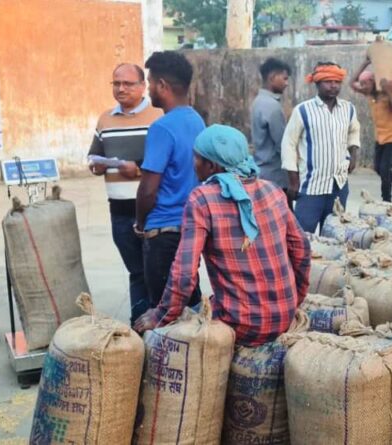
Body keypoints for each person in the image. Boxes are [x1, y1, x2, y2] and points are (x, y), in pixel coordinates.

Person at [133, 125, 311, 346]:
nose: (193, 164)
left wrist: (161, 315)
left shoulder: (202, 199)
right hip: (284, 315)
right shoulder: (272, 189)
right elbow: (302, 249)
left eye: (196, 158)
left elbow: (184, 273)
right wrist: (295, 300)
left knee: (154, 326)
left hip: (240, 325)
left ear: (211, 165)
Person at [87, 63, 163, 325]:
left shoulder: (159, 116)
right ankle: (139, 322)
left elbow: (169, 160)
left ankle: (161, 322)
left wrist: (139, 168)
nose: (121, 88)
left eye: (128, 83)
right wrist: (96, 165)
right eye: (116, 83)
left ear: (142, 86)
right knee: (136, 271)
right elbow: (94, 153)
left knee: (157, 270)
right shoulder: (105, 119)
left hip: (154, 208)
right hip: (119, 211)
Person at [135, 51, 204, 308]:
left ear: (162, 86)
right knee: (189, 301)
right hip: (191, 227)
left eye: (151, 83)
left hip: (163, 232)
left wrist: (140, 223)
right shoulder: (196, 120)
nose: (148, 89)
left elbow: (148, 190)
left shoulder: (161, 128)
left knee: (163, 309)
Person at [281, 62, 361, 233]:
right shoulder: (303, 111)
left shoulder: (348, 109)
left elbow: (354, 131)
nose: (333, 86)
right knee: (303, 237)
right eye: (328, 81)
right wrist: (293, 180)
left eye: (337, 82)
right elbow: (288, 143)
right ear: (317, 83)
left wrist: (353, 154)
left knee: (334, 234)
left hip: (339, 185)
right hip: (311, 186)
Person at [351, 61, 392, 203]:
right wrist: (364, 63)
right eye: (362, 84)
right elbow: (352, 84)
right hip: (381, 137)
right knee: (378, 168)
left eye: (365, 84)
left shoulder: (388, 93)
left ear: (372, 82)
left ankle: (386, 201)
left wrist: (389, 91)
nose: (362, 87)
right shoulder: (370, 94)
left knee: (384, 170)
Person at [251, 57, 292, 197]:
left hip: (262, 172)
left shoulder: (258, 101)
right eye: (284, 79)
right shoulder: (271, 106)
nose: (286, 84)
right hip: (275, 176)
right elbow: (282, 144)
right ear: (272, 77)